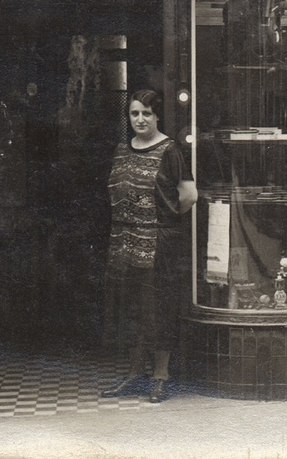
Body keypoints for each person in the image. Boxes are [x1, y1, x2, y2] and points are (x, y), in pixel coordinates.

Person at [100, 89, 197, 404]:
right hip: (124, 240)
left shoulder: (170, 151)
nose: (140, 120)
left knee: (157, 307)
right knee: (130, 307)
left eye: (146, 114)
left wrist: (163, 219)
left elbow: (189, 195)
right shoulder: (122, 150)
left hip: (158, 241)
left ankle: (160, 376)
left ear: (157, 117)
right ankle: (133, 374)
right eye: (134, 113)